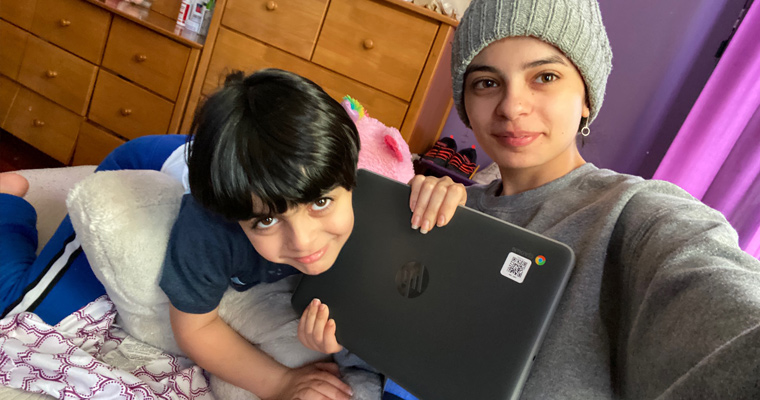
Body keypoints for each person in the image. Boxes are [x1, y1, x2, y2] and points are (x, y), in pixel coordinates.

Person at [1, 68, 467, 400]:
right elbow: (195, 326)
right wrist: (279, 384)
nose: (302, 241)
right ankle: (9, 199)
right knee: (23, 314)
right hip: (143, 165)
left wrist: (439, 192)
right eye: (265, 221)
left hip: (246, 165)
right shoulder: (210, 225)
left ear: (352, 182)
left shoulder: (368, 194)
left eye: (321, 203)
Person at [382, 0, 760, 399]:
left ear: (586, 98)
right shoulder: (453, 211)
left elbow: (724, 302)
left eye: (544, 76)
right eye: (487, 83)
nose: (512, 107)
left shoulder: (635, 215)